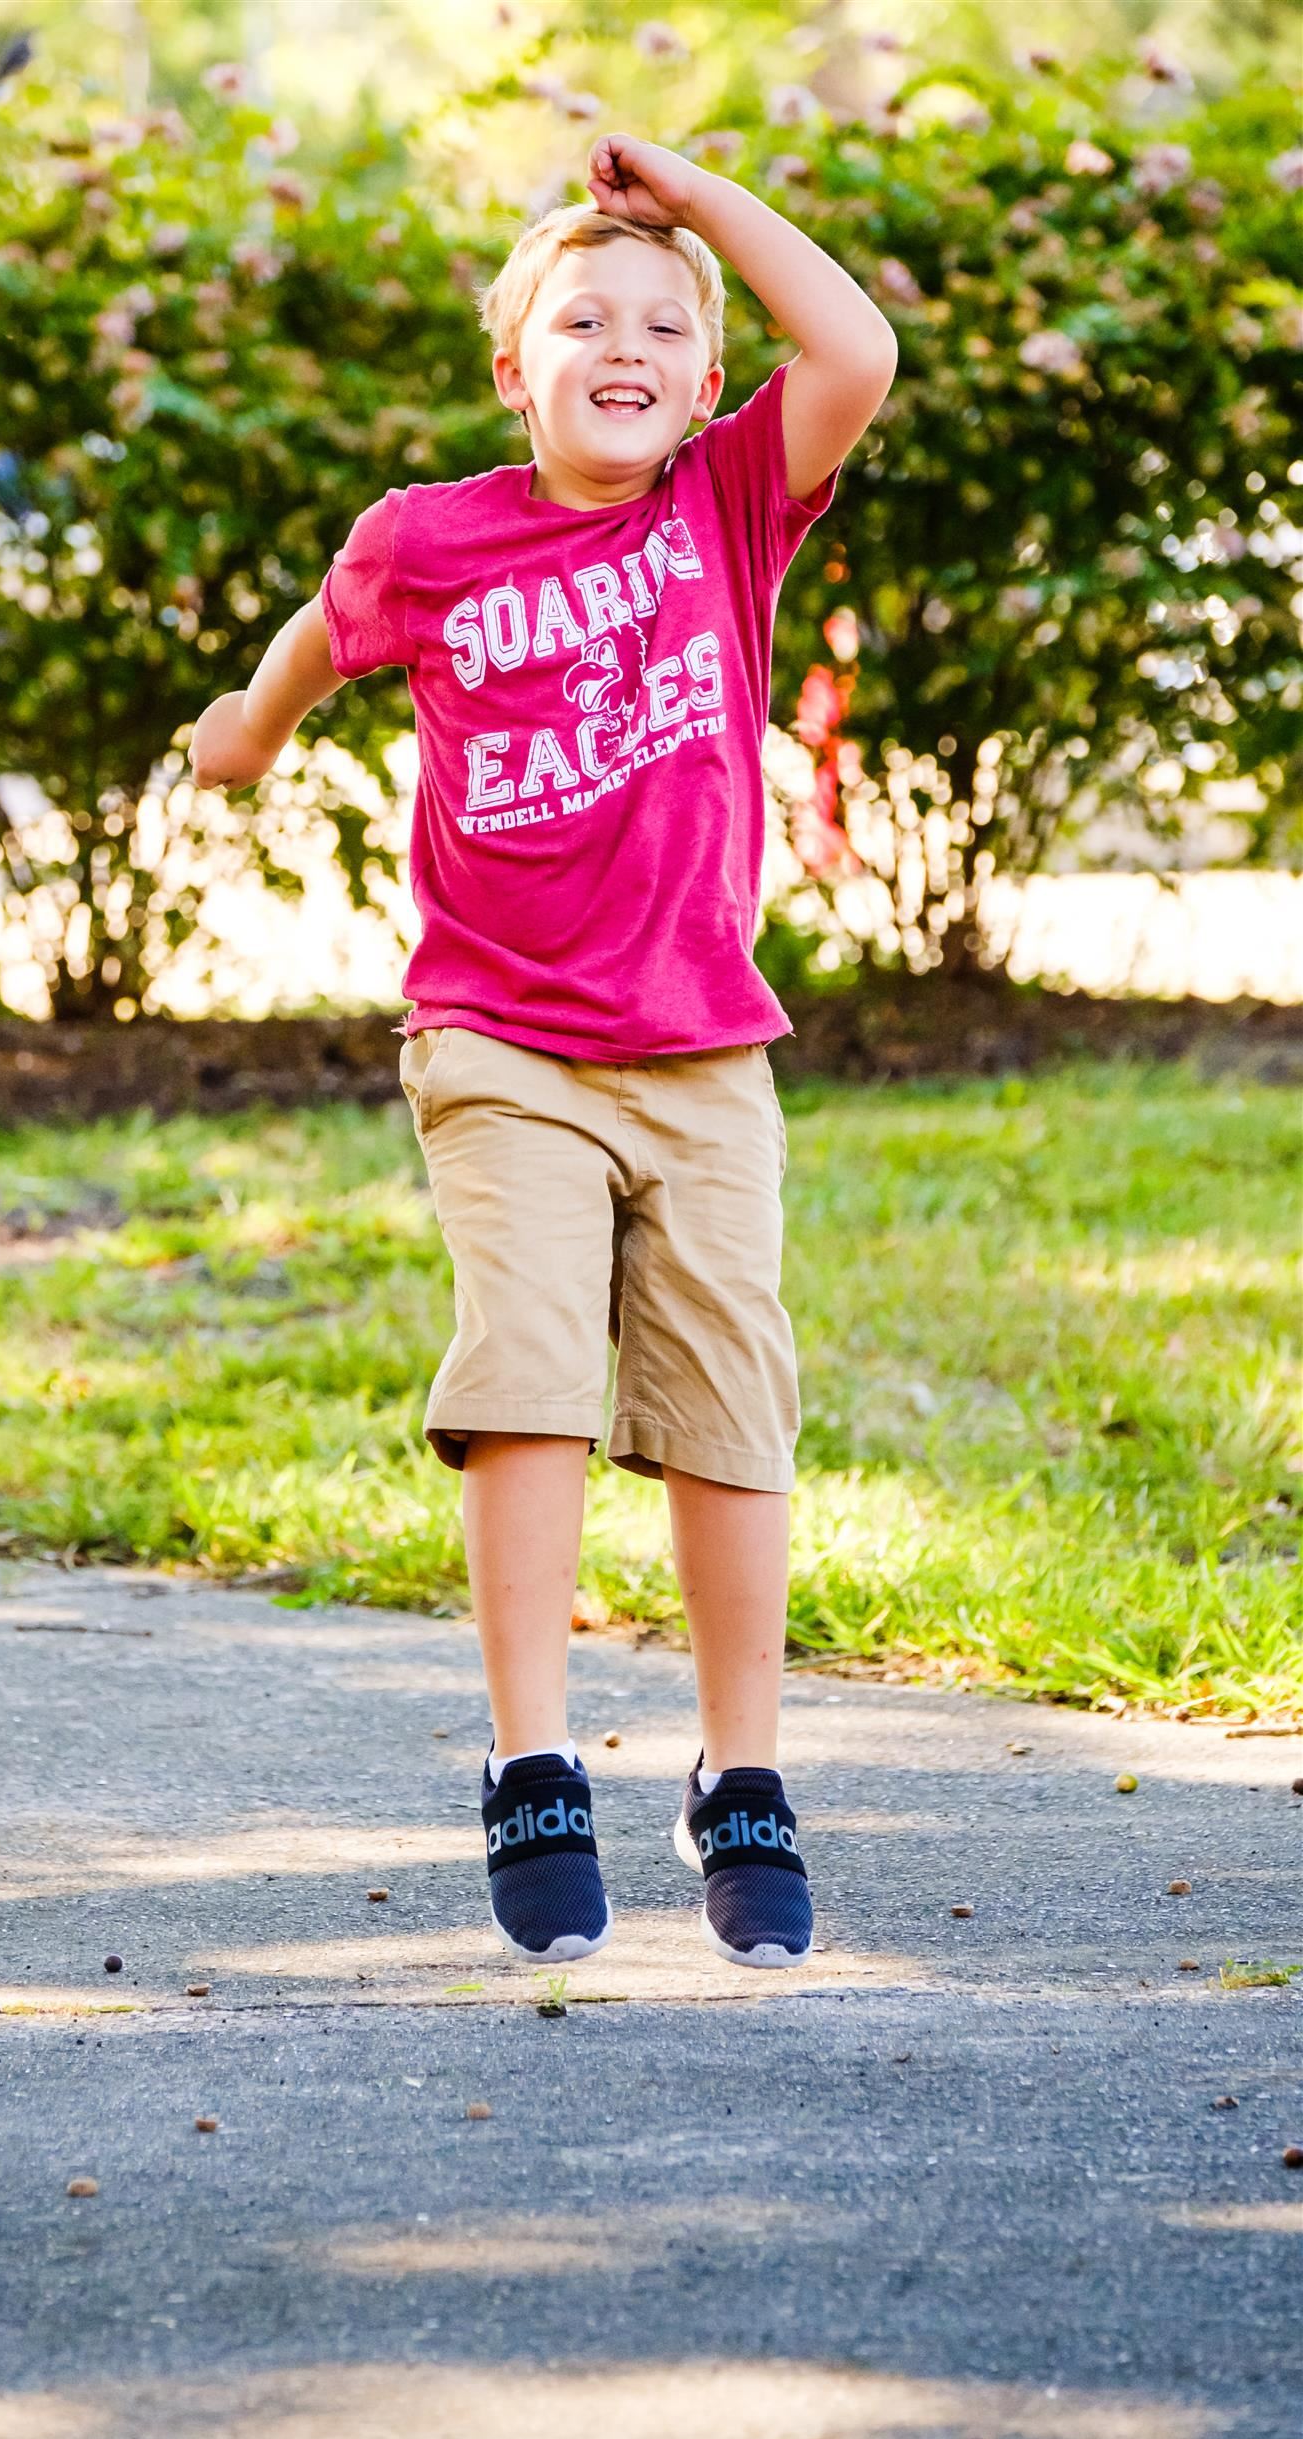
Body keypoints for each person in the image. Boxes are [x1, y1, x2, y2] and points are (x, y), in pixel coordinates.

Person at [190, 131, 895, 1969]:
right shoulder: (430, 537)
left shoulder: (728, 504)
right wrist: (247, 737)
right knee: (527, 1362)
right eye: (584, 313)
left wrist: (695, 206)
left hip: (702, 1052)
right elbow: (316, 641)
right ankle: (533, 1758)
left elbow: (862, 356)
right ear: (519, 369)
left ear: (708, 381)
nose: (628, 338)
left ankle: (744, 1773)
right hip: (497, 1035)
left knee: (734, 1398)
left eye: (665, 321)